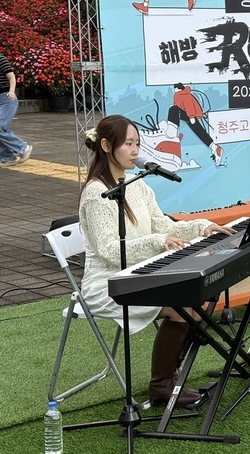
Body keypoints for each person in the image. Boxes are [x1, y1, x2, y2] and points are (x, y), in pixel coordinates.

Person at [78, 115, 234, 406]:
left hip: (141, 272)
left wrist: (203, 227)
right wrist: (157, 242)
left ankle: (170, 376)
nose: (135, 151)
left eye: (137, 144)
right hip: (107, 284)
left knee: (195, 300)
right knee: (182, 308)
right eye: (128, 144)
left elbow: (162, 224)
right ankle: (162, 385)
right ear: (106, 146)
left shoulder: (136, 185)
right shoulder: (96, 194)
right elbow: (109, 250)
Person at [0, 52, 32, 168]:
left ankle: (23, 148)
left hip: (7, 99)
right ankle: (8, 157)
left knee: (0, 127)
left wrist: (12, 91)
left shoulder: (1, 59)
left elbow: (11, 77)